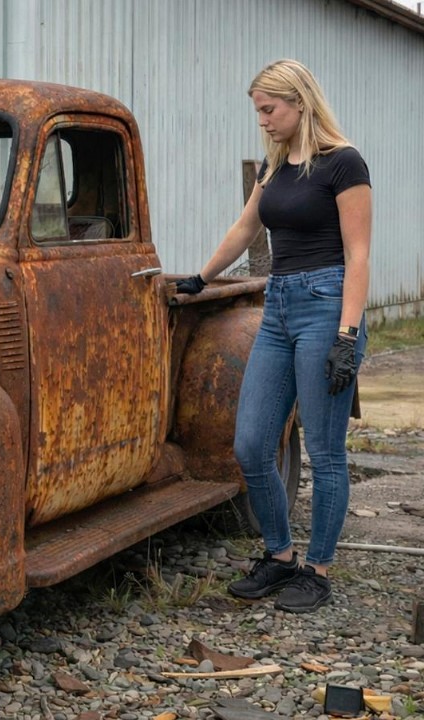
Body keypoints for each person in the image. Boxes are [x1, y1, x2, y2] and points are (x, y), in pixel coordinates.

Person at [175, 59, 371, 614]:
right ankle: (280, 557)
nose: (262, 120)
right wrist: (202, 277)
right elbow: (245, 228)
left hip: (327, 306)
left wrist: (346, 334)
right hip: (279, 305)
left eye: (269, 109)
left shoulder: (344, 164)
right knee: (252, 443)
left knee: (326, 451)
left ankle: (318, 570)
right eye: (257, 110)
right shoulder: (275, 165)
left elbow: (358, 255)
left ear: (300, 103)